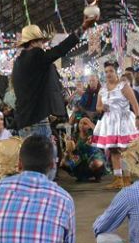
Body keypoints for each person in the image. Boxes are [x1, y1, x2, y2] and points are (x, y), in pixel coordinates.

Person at [12, 17, 96, 181]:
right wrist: (82, 28)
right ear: (35, 42)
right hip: (36, 120)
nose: (43, 45)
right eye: (41, 42)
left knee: (30, 163)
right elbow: (60, 50)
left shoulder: (19, 61)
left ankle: (30, 195)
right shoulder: (36, 55)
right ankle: (44, 191)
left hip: (24, 120)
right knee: (48, 159)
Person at [92, 62, 139, 189]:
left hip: (123, 121)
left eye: (111, 71)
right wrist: (102, 107)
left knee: (125, 151)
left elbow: (134, 103)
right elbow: (97, 107)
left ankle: (127, 178)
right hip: (109, 122)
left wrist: (138, 117)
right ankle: (117, 179)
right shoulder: (102, 89)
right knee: (114, 151)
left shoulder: (123, 86)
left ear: (116, 72)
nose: (108, 74)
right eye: (106, 71)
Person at [59, 117, 106, 182]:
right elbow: (71, 150)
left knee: (96, 163)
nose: (82, 125)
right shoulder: (74, 135)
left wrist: (90, 123)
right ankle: (81, 176)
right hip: (80, 158)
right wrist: (68, 145)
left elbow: (101, 133)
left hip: (92, 157)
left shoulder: (92, 134)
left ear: (89, 126)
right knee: (63, 163)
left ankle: (97, 176)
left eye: (85, 123)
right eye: (80, 123)